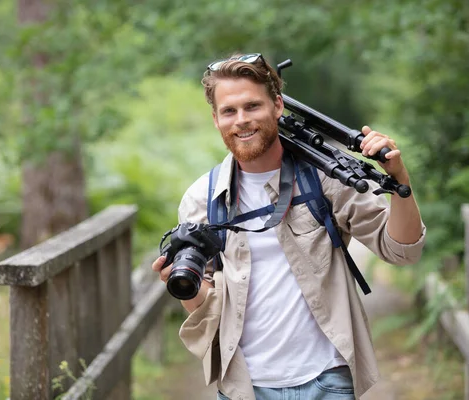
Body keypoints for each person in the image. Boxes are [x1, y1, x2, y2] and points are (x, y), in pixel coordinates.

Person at [152, 53, 426, 400]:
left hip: (327, 378)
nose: (241, 121)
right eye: (229, 111)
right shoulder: (201, 200)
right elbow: (207, 309)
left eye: (252, 106)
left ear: (277, 105)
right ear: (216, 119)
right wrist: (188, 288)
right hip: (246, 386)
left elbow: (402, 250)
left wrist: (399, 180)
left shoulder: (325, 179)